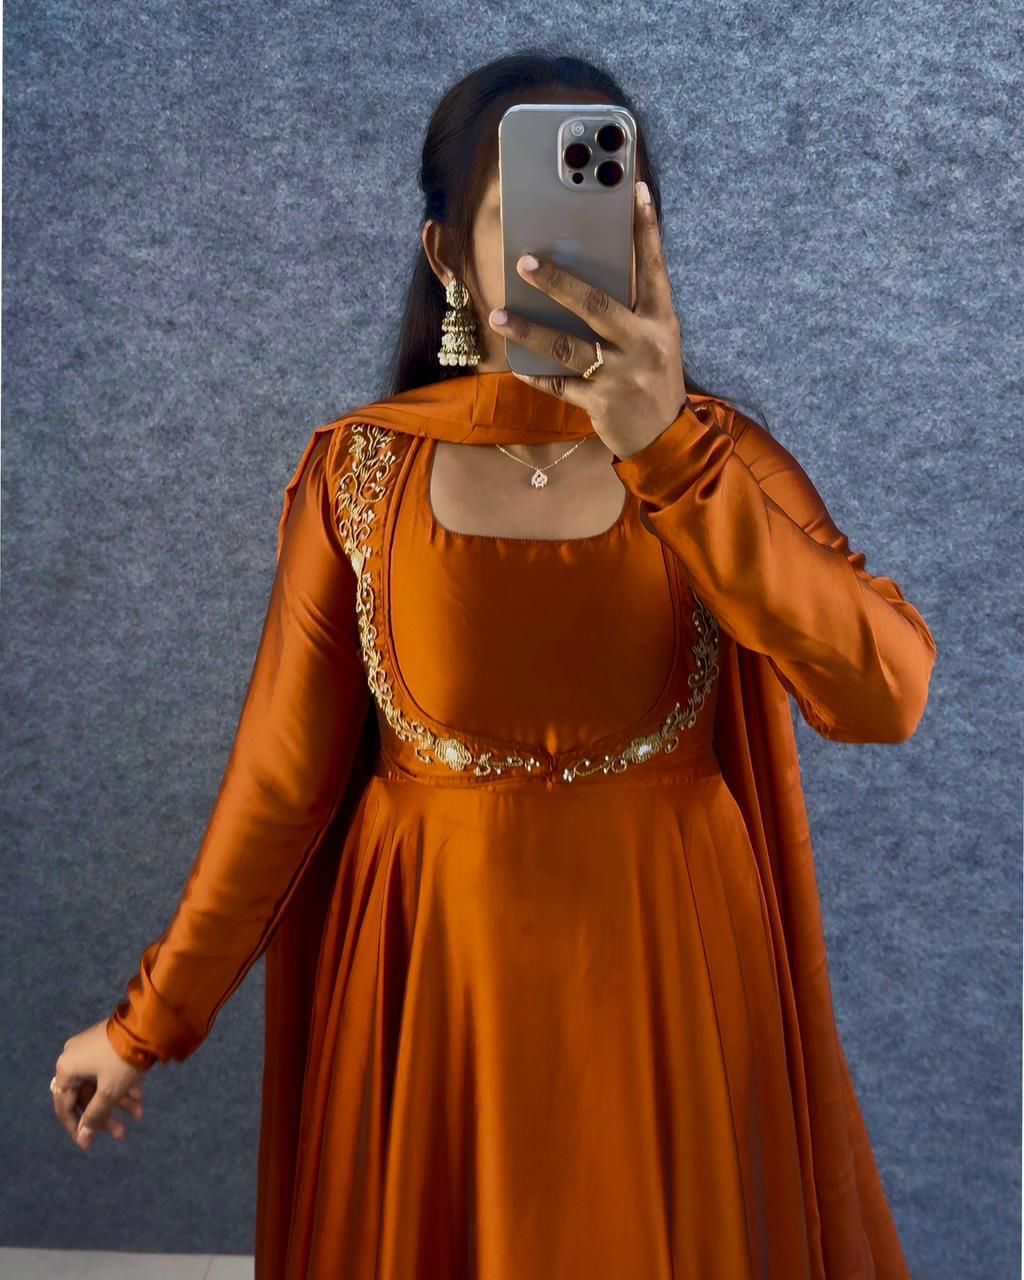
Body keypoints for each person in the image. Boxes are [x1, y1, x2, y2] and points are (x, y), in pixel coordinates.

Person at [51, 52, 937, 1280]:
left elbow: (886, 692)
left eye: (601, 210)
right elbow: (280, 787)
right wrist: (145, 1023)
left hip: (671, 978)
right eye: (522, 220)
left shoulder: (718, 458)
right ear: (448, 257)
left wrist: (668, 456)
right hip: (435, 987)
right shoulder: (362, 473)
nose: (562, 254)